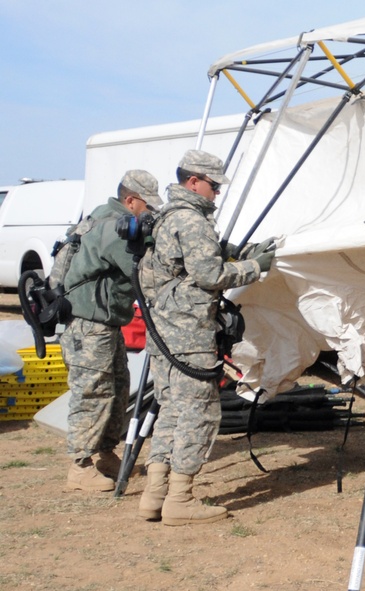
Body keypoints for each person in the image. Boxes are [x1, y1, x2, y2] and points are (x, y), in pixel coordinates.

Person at [137, 149, 275, 526]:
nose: (217, 193)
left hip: (163, 332)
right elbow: (210, 276)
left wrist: (229, 252)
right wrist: (255, 267)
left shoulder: (165, 217)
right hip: (189, 334)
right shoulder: (191, 220)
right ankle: (180, 501)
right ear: (193, 181)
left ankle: (155, 495)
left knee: (171, 410)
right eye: (213, 186)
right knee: (198, 411)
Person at [63, 170, 161, 492]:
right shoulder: (114, 228)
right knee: (94, 393)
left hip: (105, 325)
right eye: (148, 206)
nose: (150, 213)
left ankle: (105, 455)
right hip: (90, 326)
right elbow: (144, 272)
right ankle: (79, 467)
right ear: (130, 200)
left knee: (118, 390)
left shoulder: (105, 218)